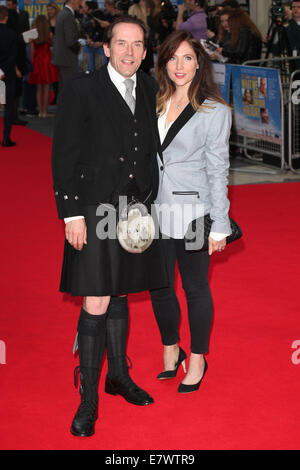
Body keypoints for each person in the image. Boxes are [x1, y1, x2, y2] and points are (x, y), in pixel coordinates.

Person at [51, 15, 168, 437]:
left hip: (137, 210)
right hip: (95, 208)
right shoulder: (82, 90)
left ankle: (118, 375)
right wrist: (71, 214)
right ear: (106, 49)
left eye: (137, 45)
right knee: (96, 299)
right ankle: (88, 398)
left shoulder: (152, 88)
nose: (130, 52)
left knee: (120, 291)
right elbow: (63, 153)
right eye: (121, 43)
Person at [150, 29, 232, 393]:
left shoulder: (214, 111)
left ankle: (198, 357)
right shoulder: (151, 101)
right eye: (172, 57)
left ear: (199, 63)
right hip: (153, 208)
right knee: (159, 286)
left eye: (187, 58)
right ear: (163, 63)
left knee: (195, 287)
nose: (179, 65)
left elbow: (218, 169)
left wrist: (220, 223)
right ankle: (172, 349)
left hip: (196, 211)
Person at [28, 15, 59, 118]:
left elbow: (32, 51)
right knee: (46, 88)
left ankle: (40, 111)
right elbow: (53, 45)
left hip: (37, 61)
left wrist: (32, 63)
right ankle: (45, 112)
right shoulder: (49, 34)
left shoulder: (32, 34)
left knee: (38, 88)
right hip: (47, 61)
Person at [52, 0, 81, 89]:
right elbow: (70, 41)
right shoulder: (68, 15)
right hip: (67, 58)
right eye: (79, 1)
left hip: (62, 57)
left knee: (64, 87)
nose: (80, 4)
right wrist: (78, 47)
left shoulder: (62, 13)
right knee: (69, 88)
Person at [0, 5, 18, 146]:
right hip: (7, 76)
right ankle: (6, 138)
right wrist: (3, 71)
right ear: (6, 17)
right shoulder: (13, 35)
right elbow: (13, 57)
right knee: (8, 106)